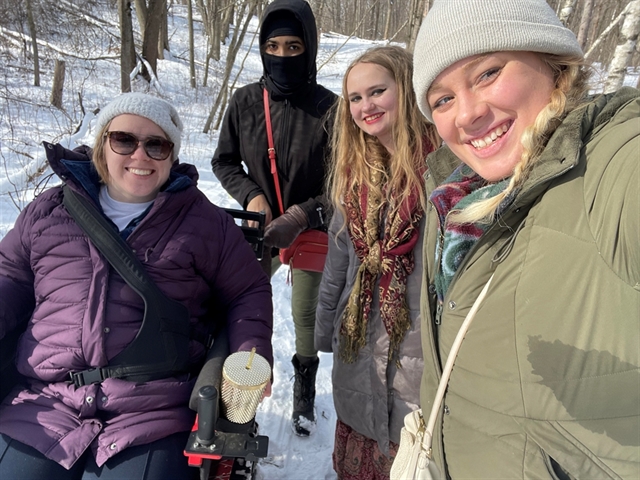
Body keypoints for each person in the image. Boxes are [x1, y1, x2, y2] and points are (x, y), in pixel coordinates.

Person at [409, 0, 639, 478]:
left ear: (552, 63)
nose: (468, 114)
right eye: (442, 99)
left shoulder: (609, 164)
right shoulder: (454, 200)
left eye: (488, 72)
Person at [0, 92, 273, 479]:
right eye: (124, 139)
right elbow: (8, 276)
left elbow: (247, 292)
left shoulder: (206, 224)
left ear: (172, 155)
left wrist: (251, 354)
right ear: (102, 145)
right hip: (46, 399)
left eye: (156, 145)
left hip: (154, 408)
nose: (139, 155)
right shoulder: (49, 211)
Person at [315, 46, 446, 480]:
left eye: (377, 92)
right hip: (359, 347)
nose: (365, 106)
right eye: (355, 98)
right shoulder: (355, 176)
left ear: (407, 91)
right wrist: (325, 328)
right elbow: (339, 263)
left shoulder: (446, 173)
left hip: (420, 351)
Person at [212, 0, 337, 437]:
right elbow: (223, 161)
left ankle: (304, 394)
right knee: (240, 306)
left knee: (305, 315)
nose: (283, 55)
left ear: (310, 47)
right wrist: (251, 196)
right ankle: (234, 398)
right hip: (259, 227)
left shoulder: (330, 108)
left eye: (294, 45)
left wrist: (305, 213)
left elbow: (345, 181)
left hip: (314, 223)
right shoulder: (245, 101)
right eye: (274, 45)